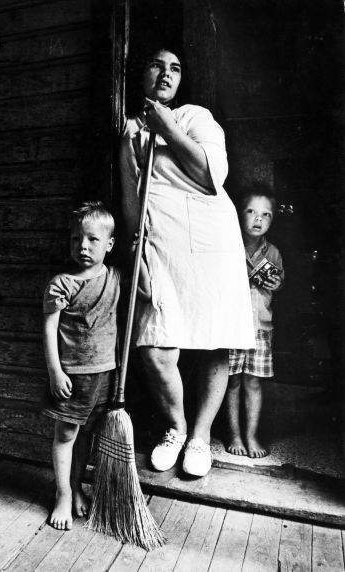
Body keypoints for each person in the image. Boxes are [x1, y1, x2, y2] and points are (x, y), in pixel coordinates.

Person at [119, 47, 255, 477]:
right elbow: (128, 201)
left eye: (175, 68)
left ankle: (199, 437)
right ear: (142, 73)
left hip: (212, 241)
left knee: (216, 338)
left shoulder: (195, 116)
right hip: (159, 242)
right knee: (155, 345)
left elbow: (211, 176)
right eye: (157, 64)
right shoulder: (128, 132)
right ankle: (176, 429)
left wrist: (168, 127)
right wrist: (135, 253)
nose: (166, 73)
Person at [42, 201, 149, 531]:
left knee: (87, 435)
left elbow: (144, 290)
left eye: (92, 239)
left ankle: (76, 487)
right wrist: (55, 371)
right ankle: (62, 495)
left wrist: (139, 253)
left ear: (109, 244)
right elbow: (48, 329)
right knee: (66, 435)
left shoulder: (114, 277)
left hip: (105, 373)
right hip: (72, 376)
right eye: (76, 239)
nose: (83, 246)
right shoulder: (62, 283)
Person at [225, 186, 284, 458]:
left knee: (253, 383)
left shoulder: (272, 252)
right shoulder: (228, 246)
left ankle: (251, 435)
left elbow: (279, 282)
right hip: (232, 326)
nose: (258, 219)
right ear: (239, 213)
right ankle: (234, 434)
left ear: (272, 220)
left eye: (266, 214)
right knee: (232, 381)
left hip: (260, 328)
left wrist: (277, 283)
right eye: (251, 211)